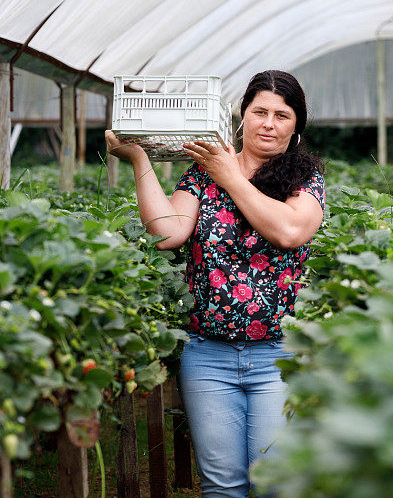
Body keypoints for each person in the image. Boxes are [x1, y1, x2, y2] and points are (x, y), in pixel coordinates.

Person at [105, 70, 325, 497]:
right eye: (260, 111)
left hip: (278, 355)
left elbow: (290, 232)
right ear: (242, 115)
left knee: (274, 483)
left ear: (296, 125)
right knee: (221, 486)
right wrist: (140, 160)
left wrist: (230, 177)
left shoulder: (303, 179)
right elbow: (167, 232)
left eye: (282, 115)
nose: (269, 123)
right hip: (208, 355)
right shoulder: (204, 172)